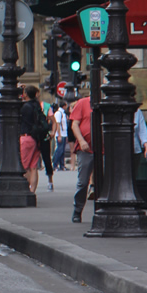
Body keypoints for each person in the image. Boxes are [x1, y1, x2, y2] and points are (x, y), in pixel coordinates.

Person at [69, 94, 93, 223]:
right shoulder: (83, 103)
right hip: (86, 149)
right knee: (83, 181)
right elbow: (74, 124)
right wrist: (82, 141)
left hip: (104, 149)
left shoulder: (108, 103)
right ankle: (77, 210)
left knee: (107, 182)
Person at [18, 85, 47, 193]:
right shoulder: (37, 105)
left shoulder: (25, 107)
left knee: (25, 166)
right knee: (33, 167)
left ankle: (25, 190)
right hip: (36, 138)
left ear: (25, 94)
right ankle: (32, 191)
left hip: (26, 137)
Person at [133, 108, 147, 180]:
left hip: (135, 149)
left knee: (133, 175)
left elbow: (142, 130)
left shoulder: (137, 111)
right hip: (119, 151)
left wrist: (146, 148)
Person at [52, 99, 68, 172]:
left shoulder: (63, 113)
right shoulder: (59, 113)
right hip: (60, 134)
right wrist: (59, 135)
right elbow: (58, 124)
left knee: (62, 151)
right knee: (59, 150)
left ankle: (62, 165)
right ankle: (55, 164)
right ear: (64, 106)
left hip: (64, 134)